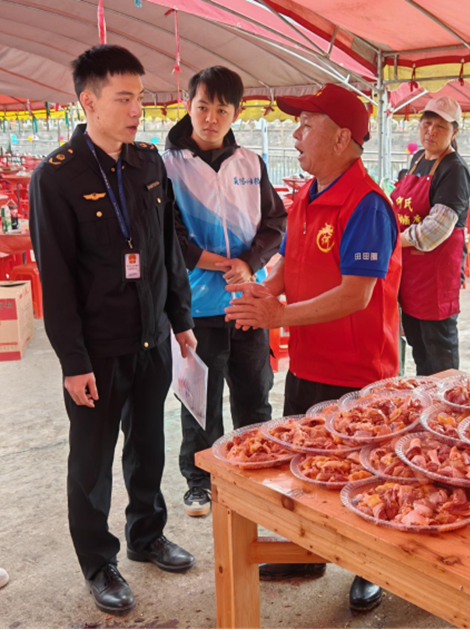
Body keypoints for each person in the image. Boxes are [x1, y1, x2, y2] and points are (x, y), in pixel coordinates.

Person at [29, 45, 197, 616]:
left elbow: (167, 250)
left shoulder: (149, 163)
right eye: (124, 99)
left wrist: (181, 320)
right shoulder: (57, 177)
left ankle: (147, 537)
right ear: (89, 102)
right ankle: (99, 562)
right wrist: (73, 361)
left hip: (151, 336)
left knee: (148, 445)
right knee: (93, 461)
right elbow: (55, 278)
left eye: (140, 98)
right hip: (97, 349)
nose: (136, 110)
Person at [224, 83, 400, 612]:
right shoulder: (307, 192)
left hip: (358, 371)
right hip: (307, 362)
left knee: (368, 472)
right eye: (296, 123)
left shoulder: (367, 204)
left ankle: (374, 567)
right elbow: (291, 264)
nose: (295, 133)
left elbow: (355, 293)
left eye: (307, 124)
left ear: (343, 136)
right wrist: (267, 288)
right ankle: (306, 551)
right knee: (305, 467)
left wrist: (277, 316)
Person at [163, 66, 287, 517]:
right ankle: (200, 479)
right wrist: (222, 264)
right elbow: (167, 233)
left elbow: (275, 223)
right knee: (200, 397)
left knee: (254, 390)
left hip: (247, 303)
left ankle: (254, 469)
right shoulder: (168, 165)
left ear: (236, 112)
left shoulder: (251, 163)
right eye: (202, 107)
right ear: (188, 105)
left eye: (221, 109)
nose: (211, 117)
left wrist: (249, 263)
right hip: (196, 306)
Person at [392, 97, 470, 375]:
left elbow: (435, 231)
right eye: (427, 123)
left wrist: (392, 241)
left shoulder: (454, 169)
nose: (431, 131)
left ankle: (447, 412)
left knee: (440, 358)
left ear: (454, 132)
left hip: (436, 279)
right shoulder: (417, 160)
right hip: (411, 275)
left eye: (441, 126)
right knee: (419, 349)